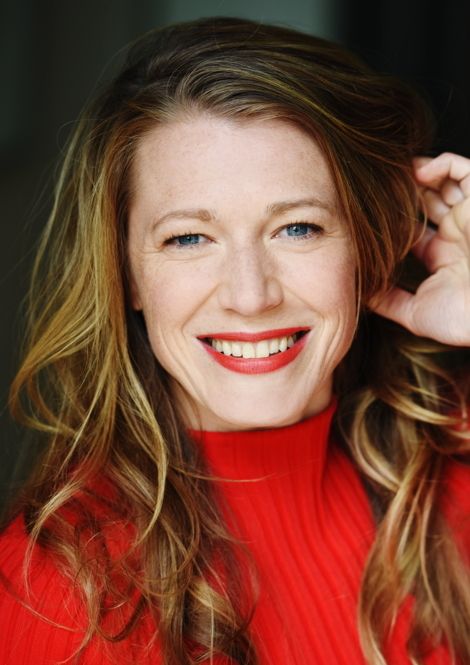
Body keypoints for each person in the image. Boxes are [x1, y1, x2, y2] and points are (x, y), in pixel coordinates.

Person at [0, 15, 469, 665]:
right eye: (189, 238)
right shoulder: (57, 592)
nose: (251, 295)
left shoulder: (453, 464)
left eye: (297, 228)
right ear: (125, 272)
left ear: (368, 242)